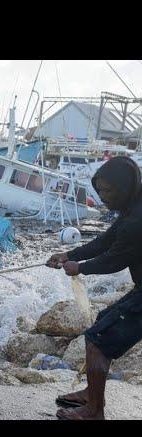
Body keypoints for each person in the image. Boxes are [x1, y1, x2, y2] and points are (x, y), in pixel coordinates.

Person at [47, 155, 142, 420]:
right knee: (102, 322)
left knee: (97, 340)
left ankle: (94, 411)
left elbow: (114, 260)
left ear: (124, 187)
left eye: (107, 191)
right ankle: (92, 393)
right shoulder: (133, 206)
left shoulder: (137, 221)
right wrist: (69, 254)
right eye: (99, 191)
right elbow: (105, 241)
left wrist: (80, 268)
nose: (102, 197)